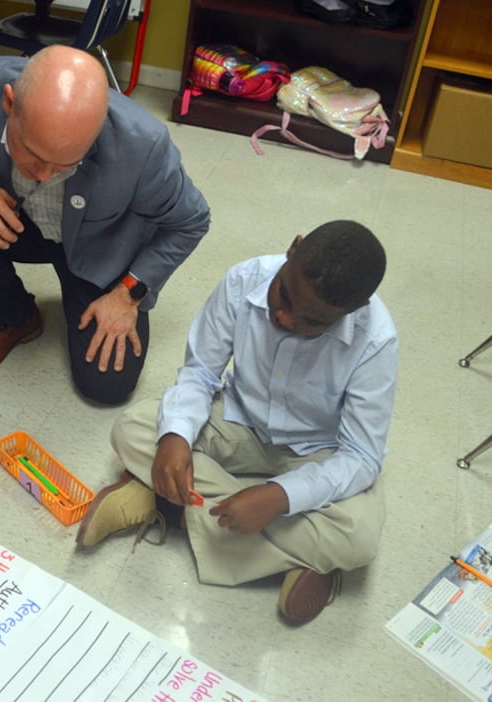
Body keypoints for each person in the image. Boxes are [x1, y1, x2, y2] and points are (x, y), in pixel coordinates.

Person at [76, 221, 397, 625]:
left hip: (316, 451)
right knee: (134, 428)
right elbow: (199, 374)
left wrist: (280, 495)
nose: (284, 317)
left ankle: (164, 505)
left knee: (359, 539)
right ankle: (299, 555)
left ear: (354, 310)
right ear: (291, 249)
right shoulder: (243, 280)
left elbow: (361, 456)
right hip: (239, 420)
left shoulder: (376, 339)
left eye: (312, 322)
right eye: (283, 295)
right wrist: (175, 438)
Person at [0, 45, 210, 405]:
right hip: (16, 222)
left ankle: (82, 293)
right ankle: (14, 317)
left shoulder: (142, 144)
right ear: (9, 104)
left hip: (98, 245)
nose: (44, 175)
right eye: (33, 155)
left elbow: (190, 221)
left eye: (67, 164)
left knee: (107, 386)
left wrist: (128, 292)